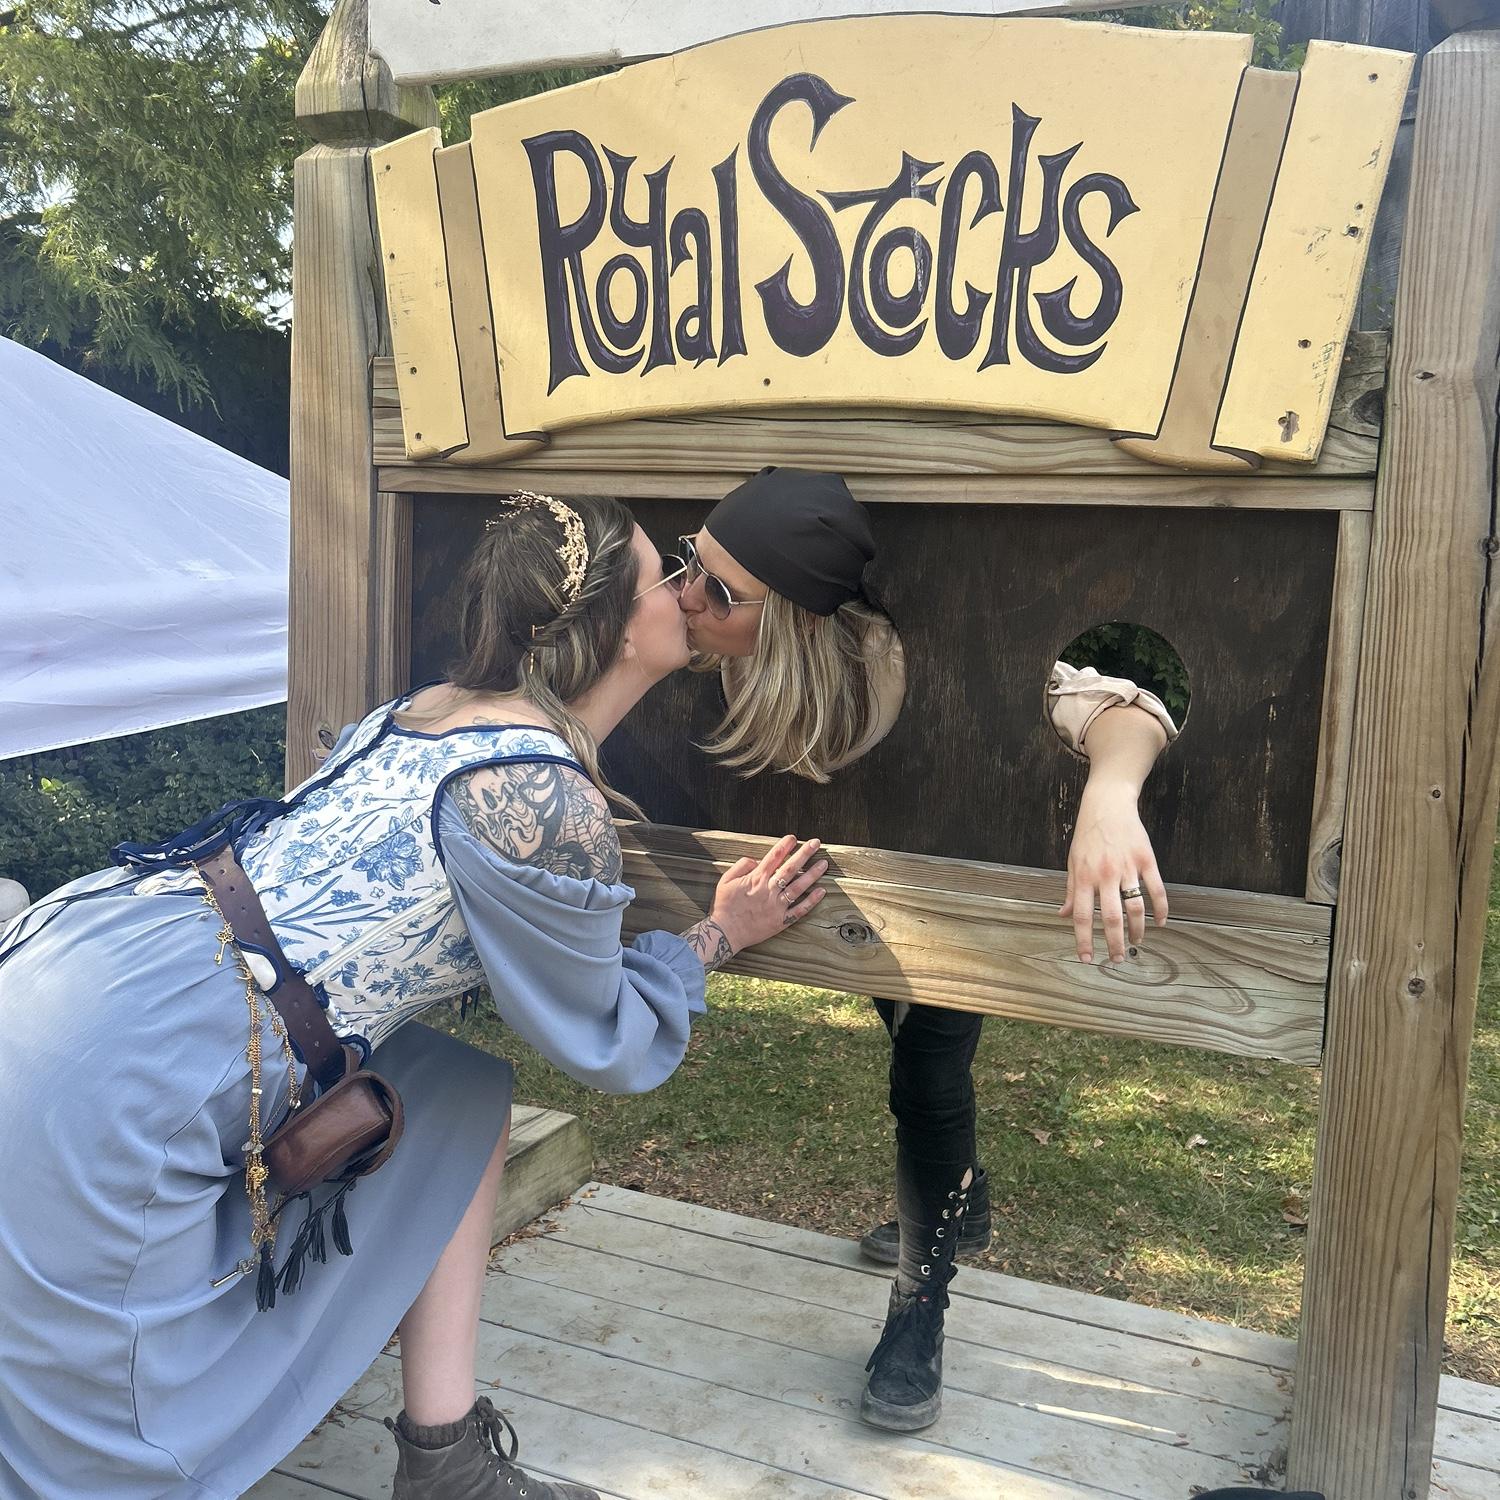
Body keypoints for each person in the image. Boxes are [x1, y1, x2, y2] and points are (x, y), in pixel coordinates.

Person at [0, 492, 828, 1500]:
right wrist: (719, 934)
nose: (692, 596)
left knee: (458, 1092)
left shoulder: (427, 709)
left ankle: (448, 1463)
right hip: (158, 1037)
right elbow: (603, 1034)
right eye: (669, 577)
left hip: (105, 948)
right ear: (613, 628)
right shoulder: (543, 800)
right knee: (103, 1429)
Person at [675, 467, 1178, 1433]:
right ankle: (962, 1202)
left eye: (720, 592)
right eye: (689, 564)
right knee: (899, 1027)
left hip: (955, 883)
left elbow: (1117, 705)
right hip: (845, 894)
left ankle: (920, 1305)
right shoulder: (703, 639)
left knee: (926, 1070)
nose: (686, 596)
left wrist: (1111, 793)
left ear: (798, 628)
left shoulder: (919, 659)